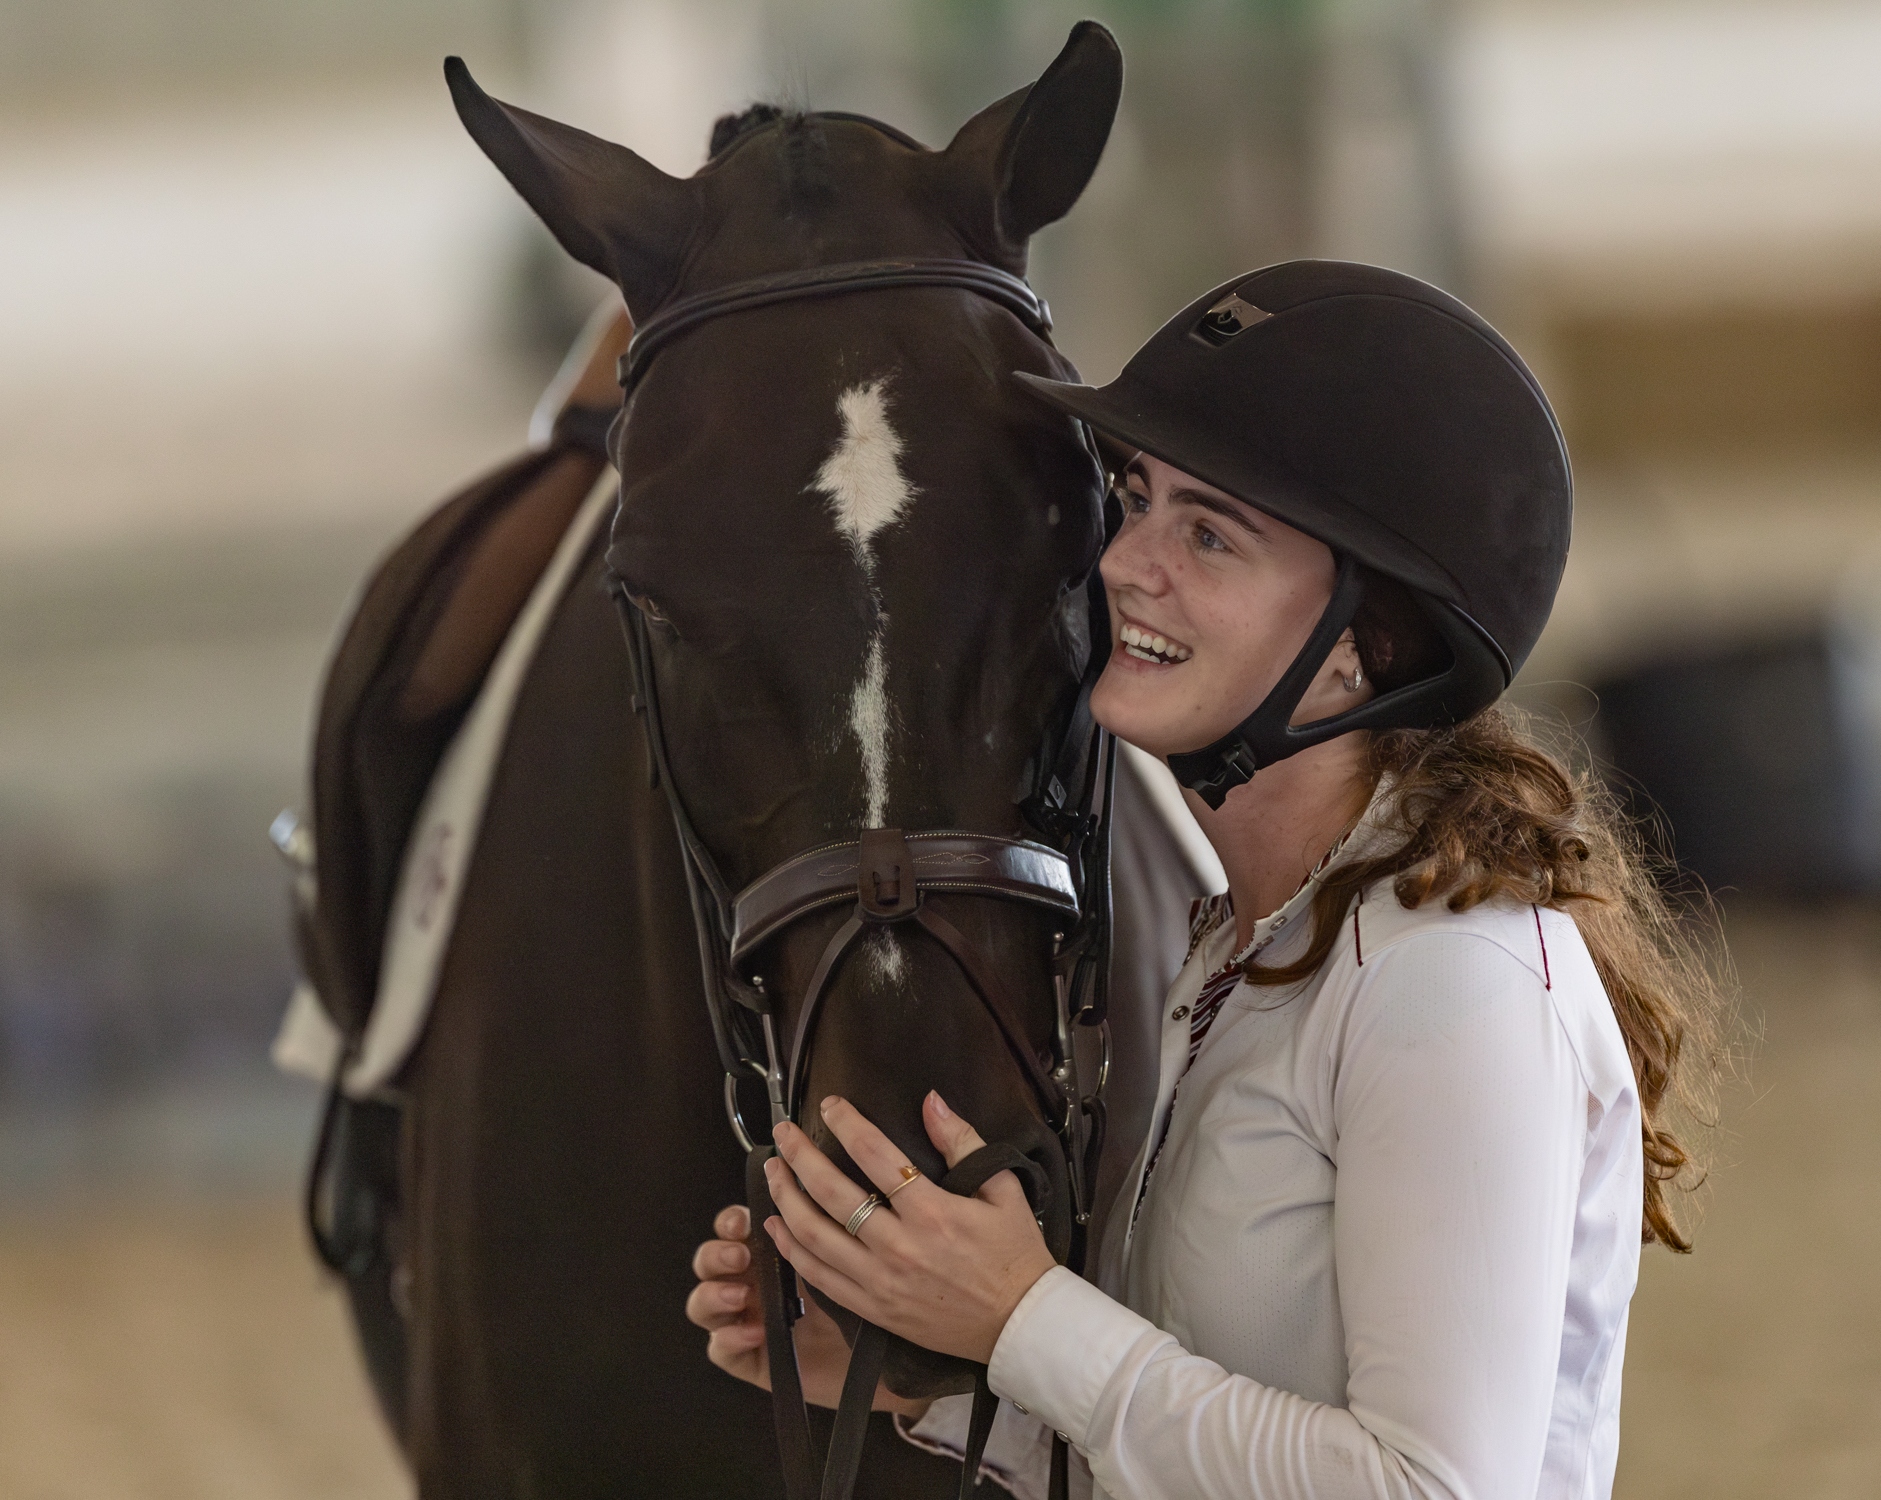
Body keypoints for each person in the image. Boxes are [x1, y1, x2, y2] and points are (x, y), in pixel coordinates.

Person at [686, 260, 1721, 1498]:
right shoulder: (1242, 944)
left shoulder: (1453, 982)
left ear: (1365, 646)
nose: (1126, 564)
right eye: (1134, 502)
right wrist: (923, 1356)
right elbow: (1199, 1432)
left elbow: (1432, 1490)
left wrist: (1020, 1318)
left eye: (1209, 534)